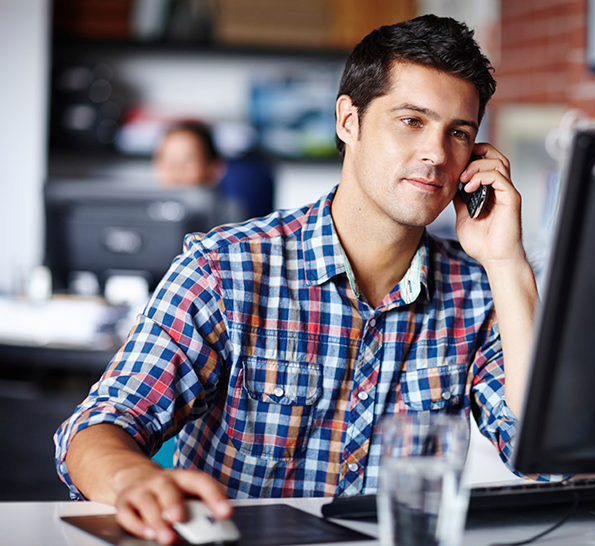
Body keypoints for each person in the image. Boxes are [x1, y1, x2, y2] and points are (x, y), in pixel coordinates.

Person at [55, 14, 542, 545]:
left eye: (459, 133)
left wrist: (506, 262)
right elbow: (97, 426)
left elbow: (537, 456)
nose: (436, 153)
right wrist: (133, 479)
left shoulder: (479, 290)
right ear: (348, 121)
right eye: (411, 121)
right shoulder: (226, 268)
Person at [153, 121, 275, 219]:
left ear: (214, 168)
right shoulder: (147, 211)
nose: (176, 169)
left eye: (188, 160)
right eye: (166, 159)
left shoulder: (229, 216)